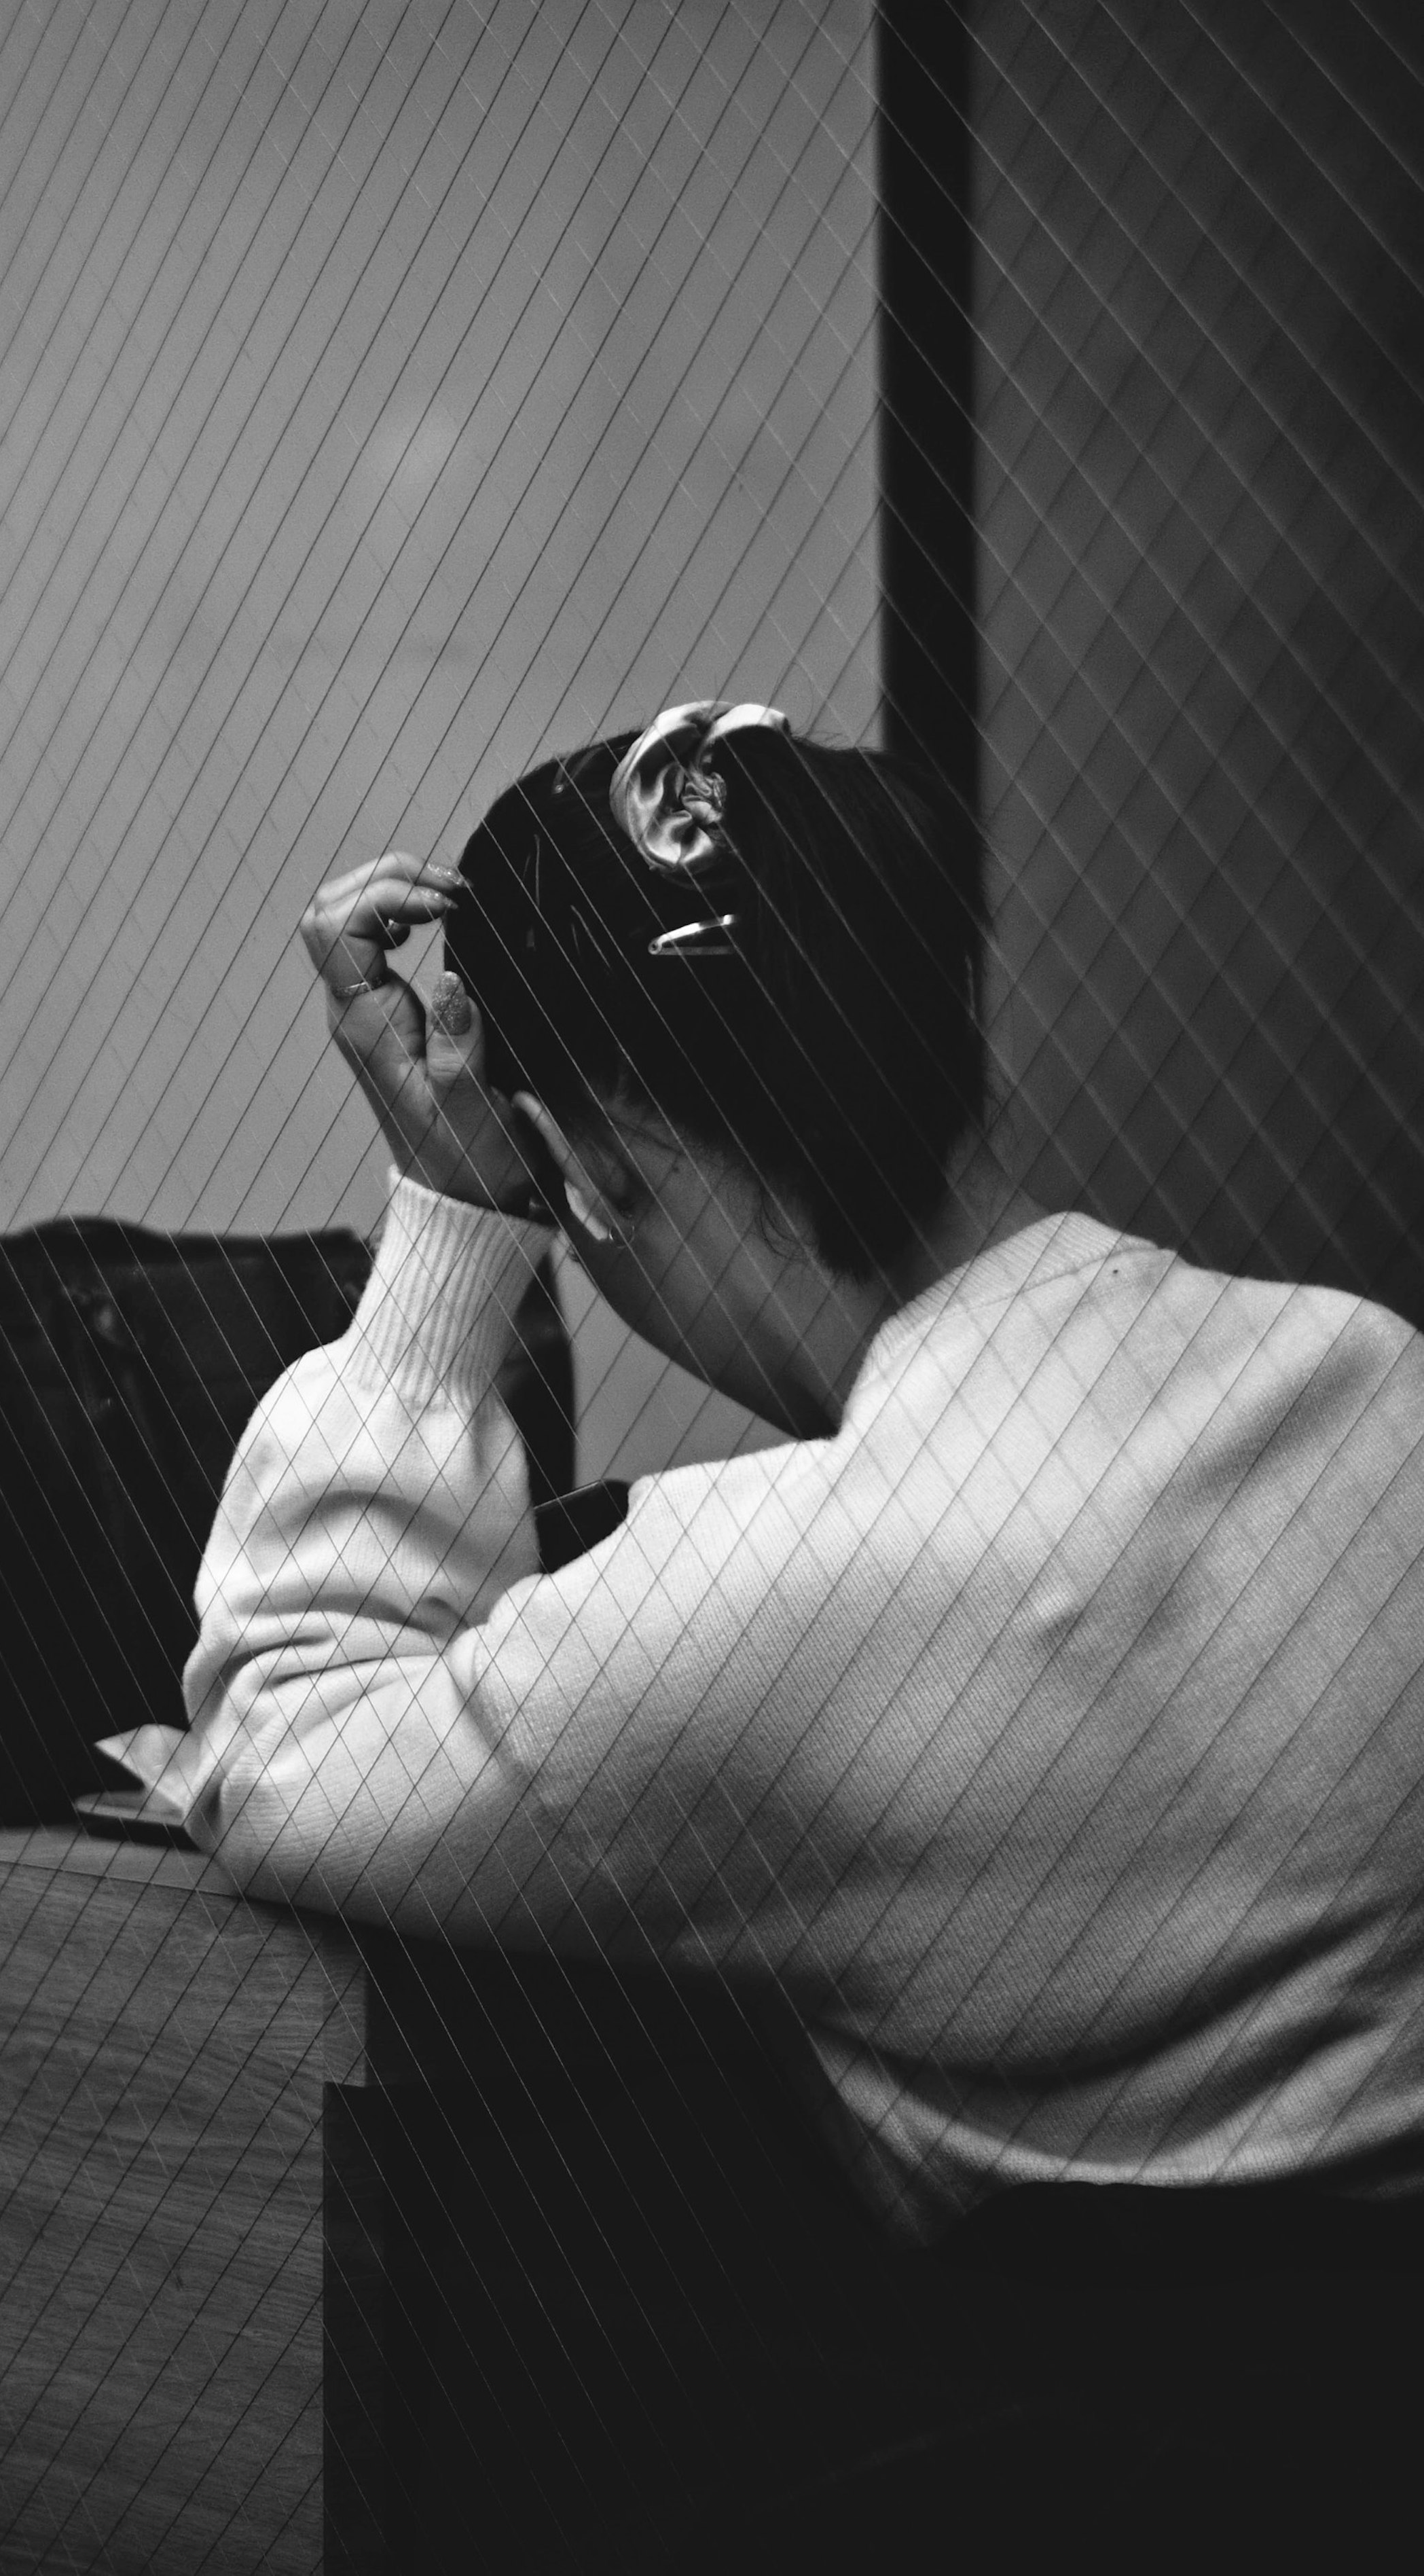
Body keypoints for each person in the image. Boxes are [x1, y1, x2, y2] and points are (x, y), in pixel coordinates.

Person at [178, 699, 1424, 2249]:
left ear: (589, 1172)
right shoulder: (1380, 1384)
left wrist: (454, 1209)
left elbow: (281, 1736)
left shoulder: (756, 1604)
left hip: (1032, 2464)